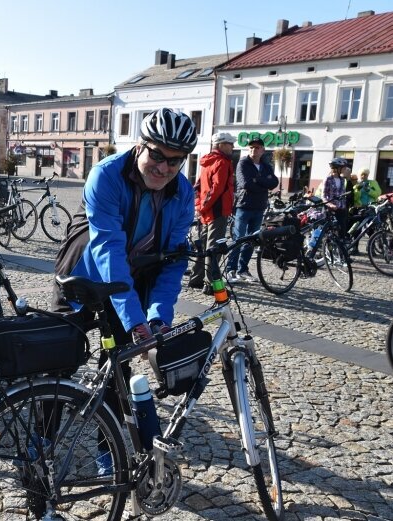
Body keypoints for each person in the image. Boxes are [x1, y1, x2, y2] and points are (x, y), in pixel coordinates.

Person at [52, 108, 197, 475]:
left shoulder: (182, 192)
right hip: (84, 275)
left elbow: (173, 261)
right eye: (157, 155)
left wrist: (158, 317)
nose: (163, 168)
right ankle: (42, 439)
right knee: (58, 359)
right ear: (140, 146)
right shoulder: (107, 175)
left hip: (134, 281)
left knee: (116, 367)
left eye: (175, 160)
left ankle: (109, 453)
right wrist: (135, 319)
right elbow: (108, 251)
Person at [225, 137, 278, 283]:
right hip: (244, 205)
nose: (254, 150)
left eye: (257, 147)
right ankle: (231, 269)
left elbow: (274, 182)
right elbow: (245, 183)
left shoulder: (266, 165)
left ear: (263, 150)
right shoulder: (243, 163)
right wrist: (263, 182)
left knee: (252, 240)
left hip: (259, 206)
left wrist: (257, 180)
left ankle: (243, 270)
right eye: (251, 147)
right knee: (239, 238)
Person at [188, 132, 235, 293]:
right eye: (230, 143)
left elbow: (198, 186)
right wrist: (204, 206)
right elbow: (217, 189)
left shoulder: (207, 161)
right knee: (214, 249)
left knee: (202, 246)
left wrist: (200, 205)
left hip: (206, 211)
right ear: (221, 145)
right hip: (217, 210)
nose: (233, 146)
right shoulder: (223, 162)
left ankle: (196, 279)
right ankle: (211, 285)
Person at [322, 158, 350, 238]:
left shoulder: (342, 180)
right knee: (331, 233)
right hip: (331, 210)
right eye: (344, 168)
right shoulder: (328, 179)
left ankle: (341, 248)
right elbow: (323, 196)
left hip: (341, 209)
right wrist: (330, 205)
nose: (345, 169)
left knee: (342, 232)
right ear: (337, 168)